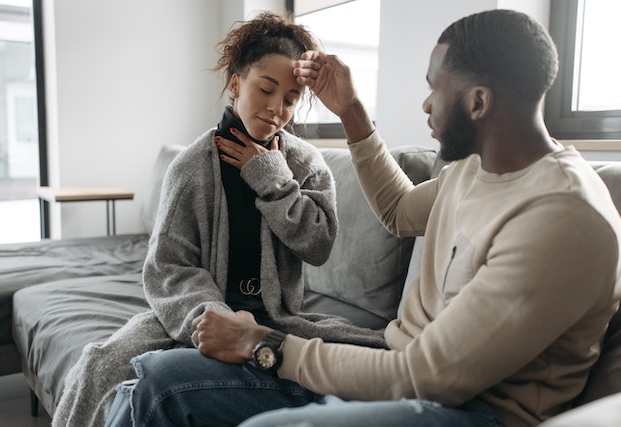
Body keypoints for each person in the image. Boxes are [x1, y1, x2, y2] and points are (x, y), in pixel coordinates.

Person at [104, 9, 621, 427]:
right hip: (392, 371)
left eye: (433, 88)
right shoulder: (475, 171)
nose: (424, 104)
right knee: (152, 378)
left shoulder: (562, 216)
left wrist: (263, 344)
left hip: (468, 410)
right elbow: (397, 211)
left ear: (478, 102)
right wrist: (349, 109)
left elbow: (428, 376)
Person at [51, 12, 385, 427]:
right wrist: (214, 318)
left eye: (290, 99)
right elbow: (167, 268)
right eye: (266, 89)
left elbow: (318, 246)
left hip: (276, 320)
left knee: (379, 353)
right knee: (100, 364)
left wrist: (272, 178)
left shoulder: (305, 164)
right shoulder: (191, 167)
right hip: (192, 316)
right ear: (235, 83)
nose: (276, 109)